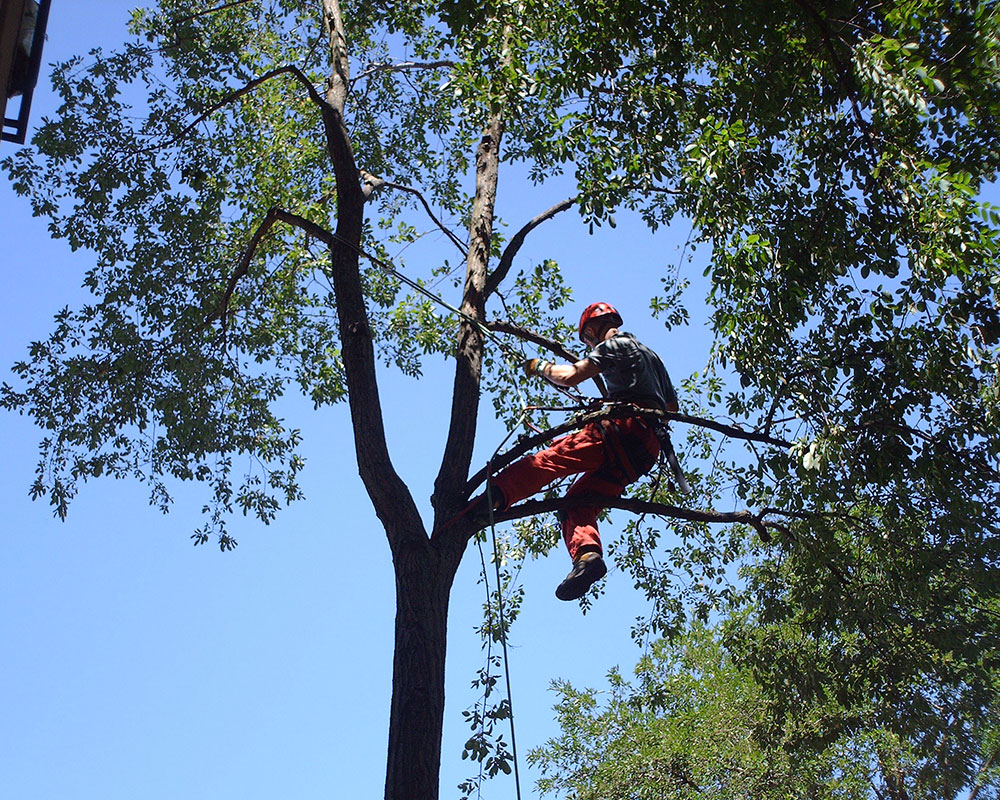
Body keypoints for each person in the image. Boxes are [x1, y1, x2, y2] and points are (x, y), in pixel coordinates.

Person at [484, 302, 679, 601]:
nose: (589, 344)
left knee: (552, 458)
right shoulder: (651, 356)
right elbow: (671, 408)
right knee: (577, 502)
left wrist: (540, 367)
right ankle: (588, 558)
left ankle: (494, 495)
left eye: (587, 340)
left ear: (591, 330)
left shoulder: (616, 344)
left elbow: (570, 376)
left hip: (622, 429)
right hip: (645, 451)